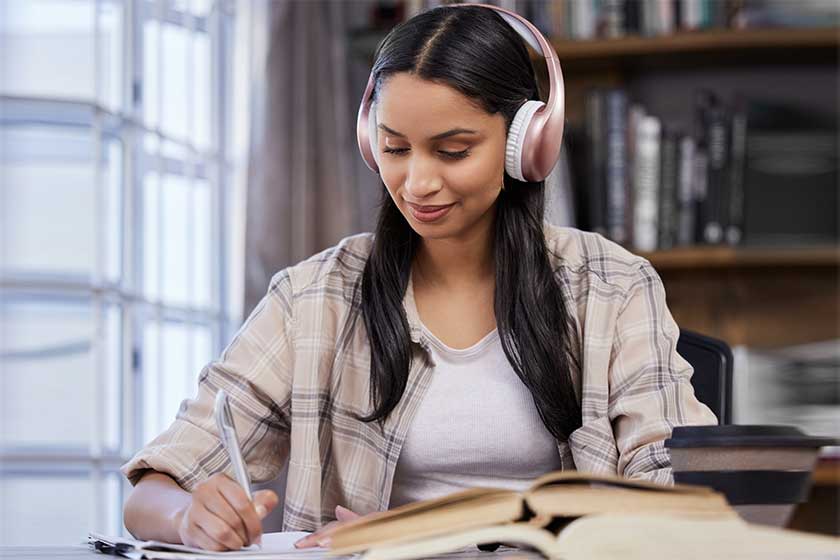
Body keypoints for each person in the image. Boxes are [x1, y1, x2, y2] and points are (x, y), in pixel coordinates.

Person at [122, 3, 716, 552]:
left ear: (526, 144)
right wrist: (186, 515)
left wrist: (439, 535)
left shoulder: (612, 286)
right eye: (395, 147)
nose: (416, 183)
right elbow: (157, 484)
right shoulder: (314, 297)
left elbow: (675, 496)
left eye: (452, 150)